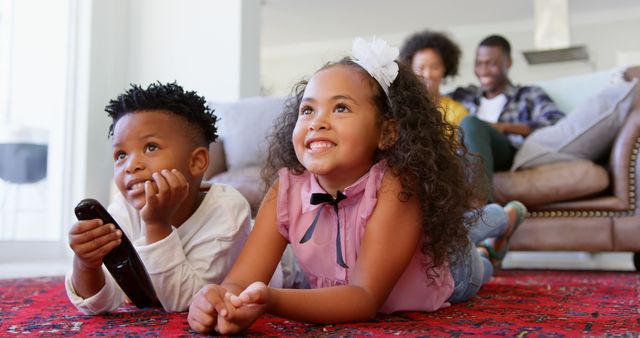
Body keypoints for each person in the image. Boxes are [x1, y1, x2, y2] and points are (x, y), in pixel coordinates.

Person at [187, 37, 525, 335]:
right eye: (308, 109)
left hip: (448, 269)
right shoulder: (286, 189)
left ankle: (497, 225)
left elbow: (363, 299)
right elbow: (239, 282)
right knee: (462, 225)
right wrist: (218, 298)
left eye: (341, 108)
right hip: (395, 252)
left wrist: (271, 300)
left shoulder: (396, 186)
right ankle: (495, 222)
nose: (317, 121)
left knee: (468, 241)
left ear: (387, 132)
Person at [65, 82, 255, 314]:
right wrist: (86, 263)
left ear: (196, 162)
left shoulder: (226, 210)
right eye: (121, 154)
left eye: (151, 147)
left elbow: (185, 303)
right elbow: (99, 305)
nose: (131, 165)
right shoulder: (124, 211)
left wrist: (156, 224)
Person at [450, 34, 565, 187]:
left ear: (508, 63)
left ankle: (479, 206)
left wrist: (502, 127)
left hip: (506, 153)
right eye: (478, 64)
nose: (483, 71)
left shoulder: (527, 94)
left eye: (491, 64)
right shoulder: (464, 96)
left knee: (471, 123)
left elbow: (556, 121)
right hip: (466, 156)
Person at [399, 29, 468, 125]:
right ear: (410, 70)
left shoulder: (458, 111)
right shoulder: (401, 110)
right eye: (420, 68)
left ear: (445, 68)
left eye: (435, 67)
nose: (427, 74)